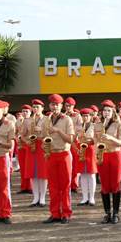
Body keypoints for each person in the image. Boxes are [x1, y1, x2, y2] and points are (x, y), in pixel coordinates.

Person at [42, 94, 74, 224]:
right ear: (49, 106)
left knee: (65, 185)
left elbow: (71, 140)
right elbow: (44, 138)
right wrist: (44, 145)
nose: (54, 107)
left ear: (61, 106)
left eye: (57, 105)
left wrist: (58, 131)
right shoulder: (46, 120)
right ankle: (55, 213)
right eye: (52, 104)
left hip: (64, 154)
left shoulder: (67, 120)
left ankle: (66, 213)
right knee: (53, 186)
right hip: (51, 154)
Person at [96, 100, 121, 223]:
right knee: (105, 185)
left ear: (113, 112)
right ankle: (107, 213)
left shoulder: (119, 124)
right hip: (103, 155)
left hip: (115, 155)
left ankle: (116, 213)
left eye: (109, 110)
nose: (106, 113)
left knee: (115, 184)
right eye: (104, 111)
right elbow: (95, 140)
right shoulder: (97, 124)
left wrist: (110, 137)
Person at [76, 107, 98, 206]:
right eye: (83, 116)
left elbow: (97, 139)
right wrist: (76, 148)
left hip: (91, 151)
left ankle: (92, 197)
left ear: (91, 116)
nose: (85, 118)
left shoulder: (95, 126)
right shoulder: (79, 127)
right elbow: (74, 139)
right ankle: (84, 198)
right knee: (83, 175)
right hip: (82, 151)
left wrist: (88, 141)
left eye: (87, 116)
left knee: (91, 175)